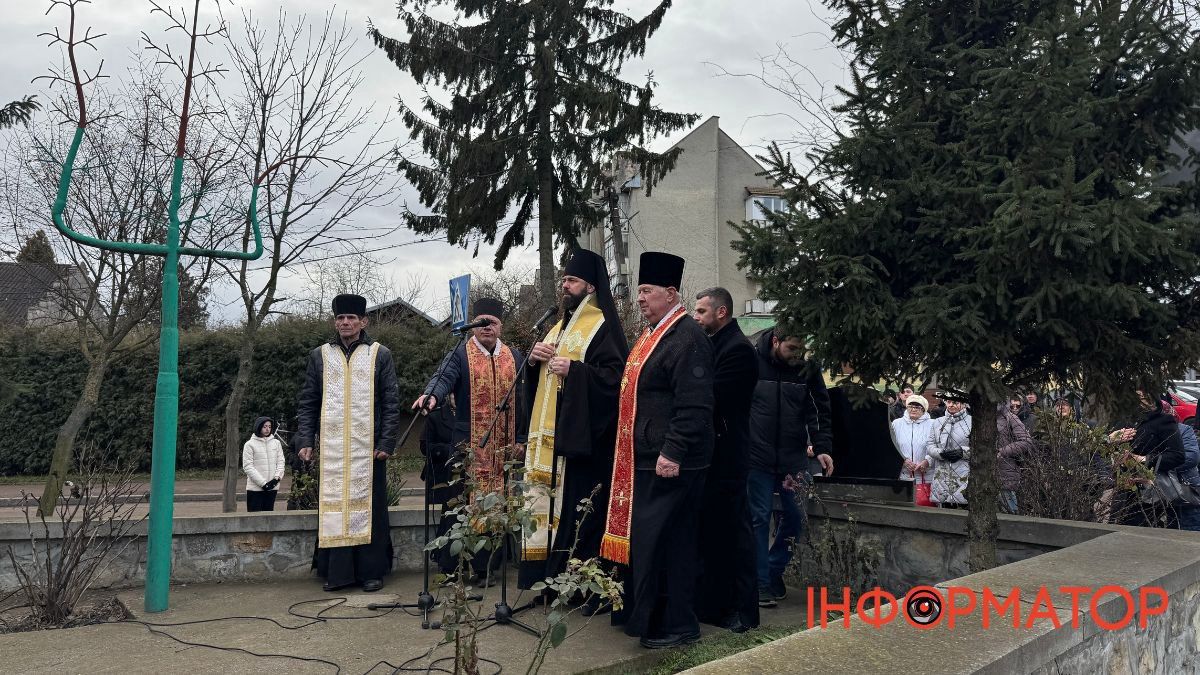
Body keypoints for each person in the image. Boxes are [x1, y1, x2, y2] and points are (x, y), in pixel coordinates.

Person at [600, 251, 714, 649]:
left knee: (668, 545)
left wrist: (673, 452)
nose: (640, 299)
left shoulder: (688, 337)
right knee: (657, 543)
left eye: (646, 291)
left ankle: (675, 623)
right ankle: (654, 617)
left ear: (670, 293)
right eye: (638, 292)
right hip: (647, 460)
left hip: (671, 464)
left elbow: (696, 405)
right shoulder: (654, 334)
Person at [518, 249, 627, 604]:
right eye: (564, 280)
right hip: (550, 441)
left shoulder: (602, 325)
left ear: (591, 287)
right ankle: (544, 583)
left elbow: (615, 380)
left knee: (572, 516)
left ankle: (572, 588)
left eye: (572, 281)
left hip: (582, 446)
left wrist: (576, 372)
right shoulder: (557, 327)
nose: (565, 286)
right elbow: (541, 384)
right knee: (545, 510)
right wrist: (534, 363)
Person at [413, 297, 527, 579]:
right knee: (462, 503)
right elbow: (443, 377)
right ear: (473, 325)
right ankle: (454, 566)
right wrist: (432, 395)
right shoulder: (460, 354)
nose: (487, 327)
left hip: (504, 448)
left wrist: (522, 437)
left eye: (493, 322)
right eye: (481, 322)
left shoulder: (515, 356)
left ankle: (486, 567)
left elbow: (526, 399)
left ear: (501, 326)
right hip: (469, 446)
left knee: (497, 504)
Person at [295, 294, 401, 592]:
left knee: (371, 509)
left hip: (369, 450)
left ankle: (371, 571)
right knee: (334, 507)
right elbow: (308, 401)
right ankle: (337, 572)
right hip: (332, 451)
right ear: (335, 322)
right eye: (340, 318)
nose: (346, 323)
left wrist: (387, 442)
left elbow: (392, 403)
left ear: (363, 321)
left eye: (351, 318)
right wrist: (306, 439)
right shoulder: (320, 356)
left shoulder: (380, 354)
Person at [746, 327, 833, 608]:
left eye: (801, 349)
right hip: (756, 457)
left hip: (793, 460)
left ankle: (773, 569)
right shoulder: (752, 362)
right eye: (791, 348)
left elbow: (819, 409)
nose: (797, 355)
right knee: (759, 519)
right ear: (775, 342)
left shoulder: (807, 369)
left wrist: (822, 447)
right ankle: (759, 583)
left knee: (797, 517)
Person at [691, 287, 759, 633]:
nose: (697, 317)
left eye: (702, 312)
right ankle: (714, 605)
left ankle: (742, 610)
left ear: (721, 313)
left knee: (734, 534)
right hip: (713, 454)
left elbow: (714, 396)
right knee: (713, 533)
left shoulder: (738, 350)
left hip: (729, 454)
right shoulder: (714, 343)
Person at [926, 389, 972, 507]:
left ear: (964, 404)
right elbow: (930, 445)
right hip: (942, 475)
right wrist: (941, 453)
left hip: (964, 474)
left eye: (955, 402)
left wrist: (963, 452)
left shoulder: (972, 422)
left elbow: (980, 448)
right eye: (948, 401)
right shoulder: (937, 422)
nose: (951, 405)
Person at [892, 394, 933, 506]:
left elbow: (937, 447)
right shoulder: (896, 424)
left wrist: (927, 461)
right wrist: (903, 460)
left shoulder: (932, 425)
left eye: (918, 407)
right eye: (911, 406)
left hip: (925, 475)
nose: (913, 409)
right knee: (903, 507)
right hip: (903, 474)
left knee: (926, 508)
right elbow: (892, 446)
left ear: (924, 409)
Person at [996, 403, 1035, 514]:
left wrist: (1002, 451)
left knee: (1009, 518)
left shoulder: (1010, 417)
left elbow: (1026, 442)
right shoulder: (979, 418)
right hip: (984, 478)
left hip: (1006, 477)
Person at [242, 416, 285, 512]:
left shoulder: (276, 443)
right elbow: (248, 467)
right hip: (255, 489)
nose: (267, 429)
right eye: (265, 426)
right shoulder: (249, 444)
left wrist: (276, 479)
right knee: (254, 519)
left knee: (269, 518)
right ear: (259, 426)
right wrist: (263, 484)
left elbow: (281, 462)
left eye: (269, 427)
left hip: (272, 487)